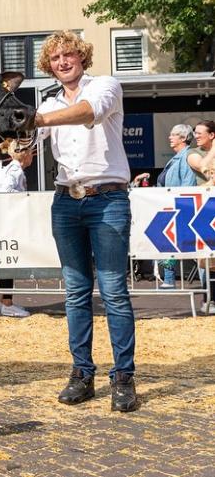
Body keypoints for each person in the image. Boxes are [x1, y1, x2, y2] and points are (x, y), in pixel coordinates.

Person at [35, 30, 138, 412]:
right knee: (75, 293)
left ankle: (123, 377)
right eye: (55, 59)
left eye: (69, 55)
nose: (62, 62)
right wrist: (20, 147)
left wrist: (36, 119)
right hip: (65, 201)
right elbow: (30, 143)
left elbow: (88, 113)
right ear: (50, 66)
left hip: (107, 199)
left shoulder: (107, 85)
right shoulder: (47, 102)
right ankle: (82, 374)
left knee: (113, 292)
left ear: (82, 57)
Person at [133, 125, 197, 288]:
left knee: (198, 252)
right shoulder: (177, 158)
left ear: (183, 138)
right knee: (165, 240)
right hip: (171, 206)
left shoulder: (187, 156)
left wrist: (179, 207)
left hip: (179, 207)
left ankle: (205, 290)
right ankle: (169, 279)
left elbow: (187, 185)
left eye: (174, 135)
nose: (170, 137)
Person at [0, 140, 33, 317]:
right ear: (24, 154)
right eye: (30, 152)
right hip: (9, 223)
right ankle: (7, 303)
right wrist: (21, 201)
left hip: (7, 222)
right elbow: (4, 191)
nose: (32, 155)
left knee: (7, 262)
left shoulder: (12, 168)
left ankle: (4, 301)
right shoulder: (15, 170)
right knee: (9, 262)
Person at [185, 120, 215, 309]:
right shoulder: (192, 153)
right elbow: (203, 166)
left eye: (199, 133)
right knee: (207, 258)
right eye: (194, 133)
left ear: (211, 134)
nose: (195, 136)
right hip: (205, 209)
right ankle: (208, 299)